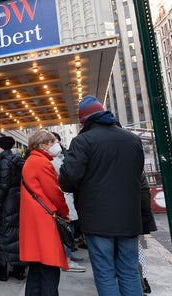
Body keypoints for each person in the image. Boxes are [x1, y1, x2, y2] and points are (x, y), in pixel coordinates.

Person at [59, 95, 144, 296]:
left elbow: (67, 179)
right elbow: (137, 175)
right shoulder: (133, 139)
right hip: (129, 217)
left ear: (85, 120)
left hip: (97, 219)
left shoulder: (83, 141)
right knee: (129, 272)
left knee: (105, 272)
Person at [19, 130, 69, 295]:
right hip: (45, 220)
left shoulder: (31, 161)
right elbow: (55, 192)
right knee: (50, 268)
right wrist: (64, 211)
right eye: (52, 142)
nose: (55, 145)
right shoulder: (42, 163)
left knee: (36, 268)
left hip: (34, 219)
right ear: (42, 145)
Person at [0, 136, 26, 282]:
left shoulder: (4, 162)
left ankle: (1, 270)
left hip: (7, 203)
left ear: (1, 147)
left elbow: (3, 185)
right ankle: (19, 269)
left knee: (2, 235)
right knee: (16, 235)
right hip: (17, 200)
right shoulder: (17, 160)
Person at [50, 132, 85, 273]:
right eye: (53, 142)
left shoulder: (60, 157)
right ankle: (67, 259)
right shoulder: (50, 161)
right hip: (62, 197)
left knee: (69, 229)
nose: (56, 144)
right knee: (65, 229)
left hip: (67, 197)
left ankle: (69, 255)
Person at [139, 173, 157, 294]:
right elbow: (144, 191)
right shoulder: (134, 162)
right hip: (136, 218)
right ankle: (143, 280)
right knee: (140, 248)